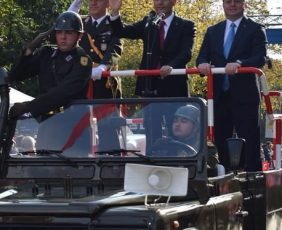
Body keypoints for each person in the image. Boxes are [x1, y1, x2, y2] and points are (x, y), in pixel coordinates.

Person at [197, 0, 267, 172]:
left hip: (245, 96)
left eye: (237, 1)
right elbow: (201, 57)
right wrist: (203, 64)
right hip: (219, 95)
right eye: (228, 2)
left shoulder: (256, 29)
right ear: (223, 4)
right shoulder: (213, 31)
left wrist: (240, 64)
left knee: (249, 140)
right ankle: (224, 177)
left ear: (245, 4)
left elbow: (260, 58)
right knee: (220, 139)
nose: (232, 5)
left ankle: (253, 180)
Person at [8, 11, 91, 120]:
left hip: (73, 123)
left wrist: (28, 106)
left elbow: (63, 93)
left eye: (69, 32)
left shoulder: (82, 60)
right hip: (47, 121)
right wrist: (31, 47)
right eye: (59, 32)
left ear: (79, 35)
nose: (63, 37)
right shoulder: (47, 54)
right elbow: (16, 75)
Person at [109, 0, 195, 97]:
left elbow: (186, 53)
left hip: (174, 84)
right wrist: (115, 11)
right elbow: (122, 31)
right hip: (149, 86)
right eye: (156, 0)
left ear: (174, 2)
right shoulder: (148, 23)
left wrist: (171, 66)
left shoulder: (186, 25)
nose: (160, 3)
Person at [69, 0, 123, 98]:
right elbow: (61, 32)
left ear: (108, 3)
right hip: (81, 83)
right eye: (90, 0)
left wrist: (103, 67)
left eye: (98, 0)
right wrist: (73, 8)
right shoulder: (80, 23)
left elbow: (115, 49)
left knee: (107, 112)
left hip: (105, 84)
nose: (93, 3)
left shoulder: (115, 24)